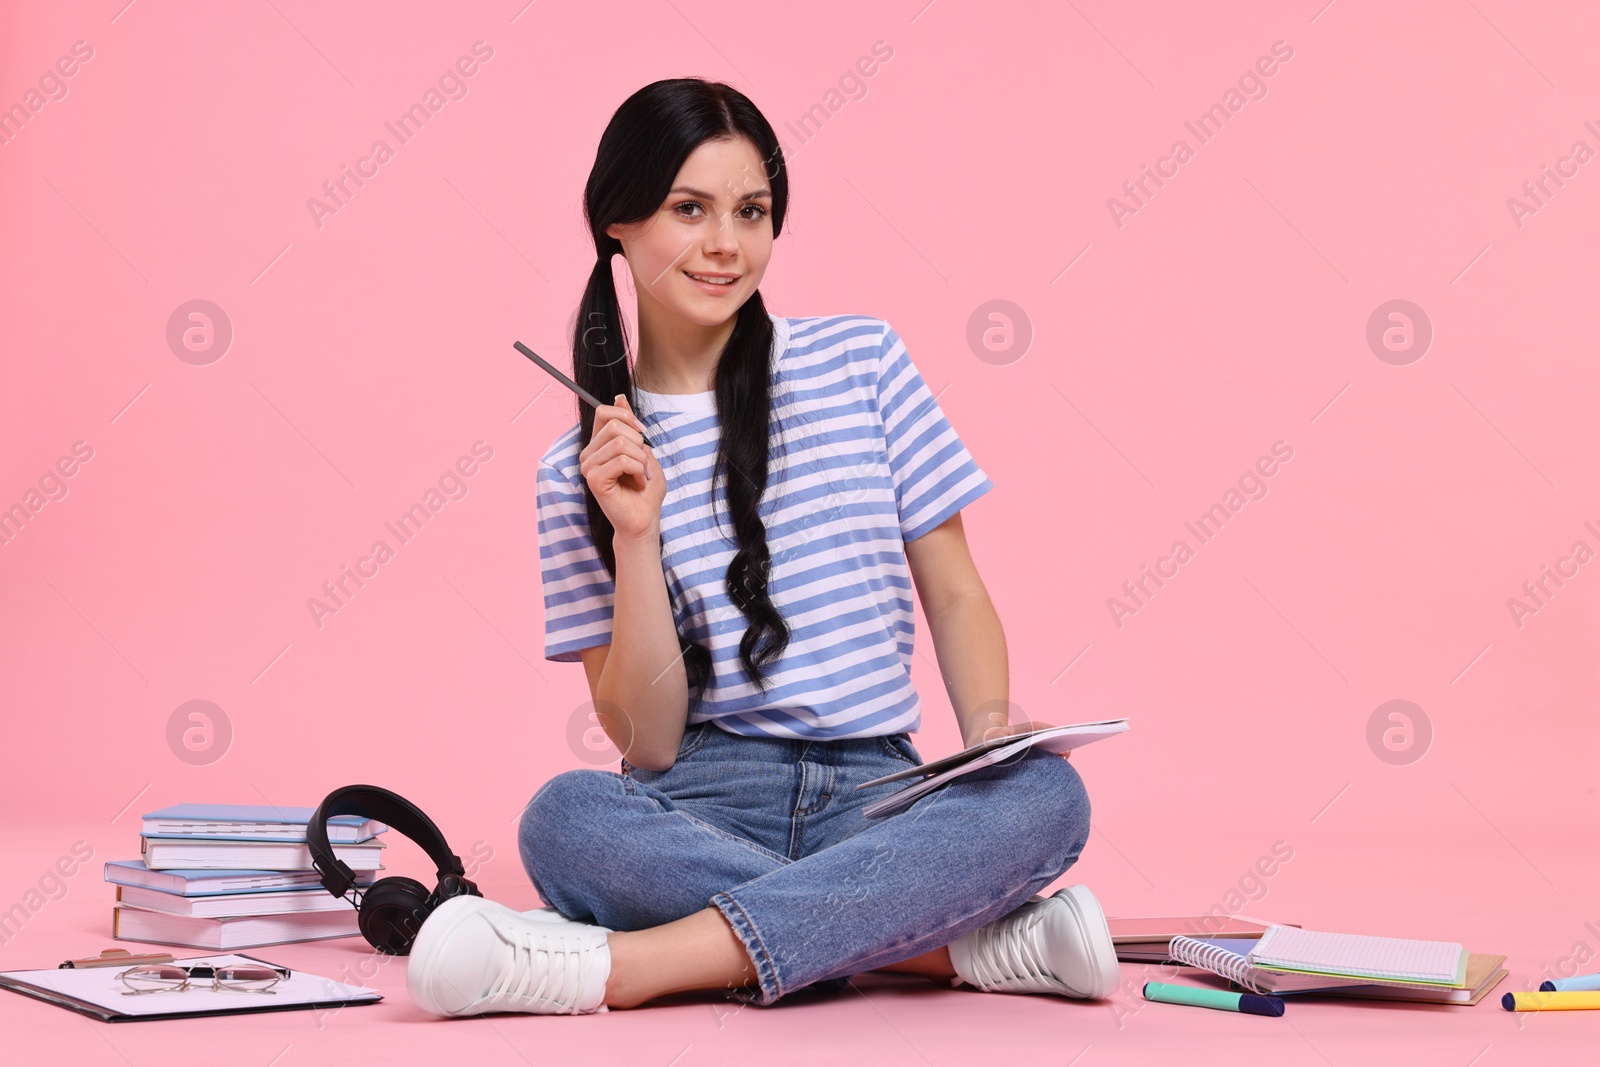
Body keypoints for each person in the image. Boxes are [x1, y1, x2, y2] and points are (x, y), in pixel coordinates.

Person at [405, 76, 1120, 1016]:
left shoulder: (862, 362)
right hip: (700, 794)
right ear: (616, 220)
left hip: (884, 789)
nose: (726, 245)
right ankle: (946, 946)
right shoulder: (575, 469)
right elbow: (647, 743)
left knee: (1046, 796)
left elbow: (953, 588)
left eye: (753, 211)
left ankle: (614, 969)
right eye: (688, 209)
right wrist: (636, 533)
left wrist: (985, 729)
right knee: (565, 820)